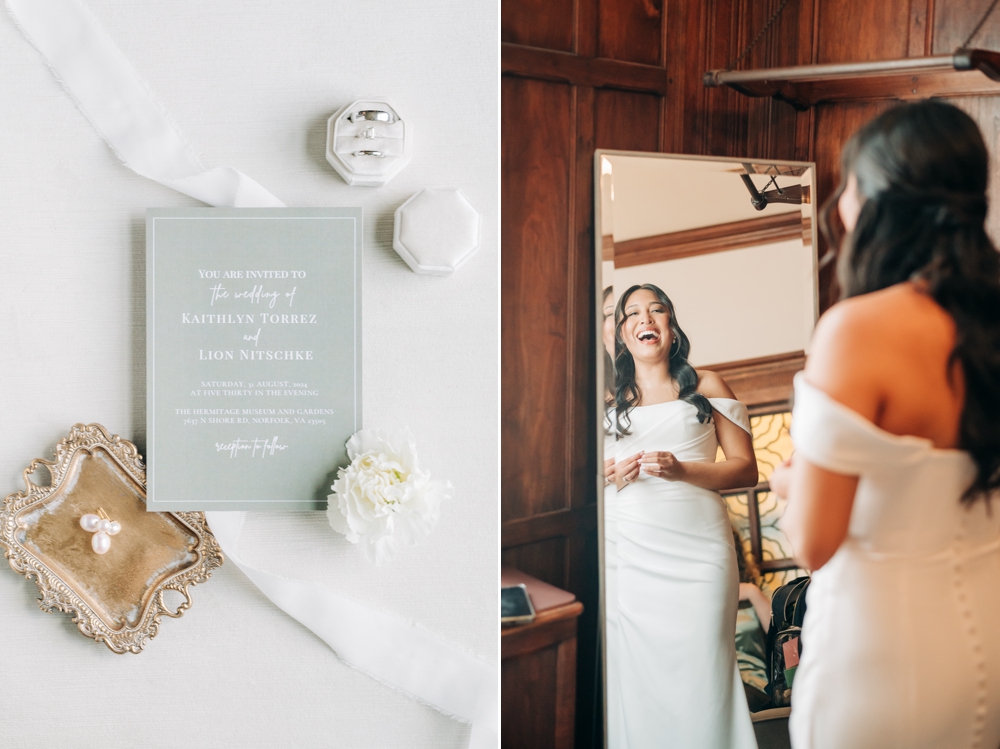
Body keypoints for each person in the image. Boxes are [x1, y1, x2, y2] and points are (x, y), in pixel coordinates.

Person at [769, 100, 1000, 749]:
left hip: (883, 661)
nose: (839, 203)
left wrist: (790, 484)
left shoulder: (858, 329)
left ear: (875, 200)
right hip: (989, 641)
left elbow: (813, 541)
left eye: (848, 185)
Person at [612, 282, 759, 748]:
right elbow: (583, 481)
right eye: (632, 313)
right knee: (637, 674)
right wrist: (609, 475)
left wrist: (681, 469)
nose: (645, 319)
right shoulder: (605, 404)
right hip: (629, 552)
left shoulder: (707, 385)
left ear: (672, 328)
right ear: (621, 334)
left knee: (704, 672)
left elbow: (747, 470)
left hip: (699, 552)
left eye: (657, 311)